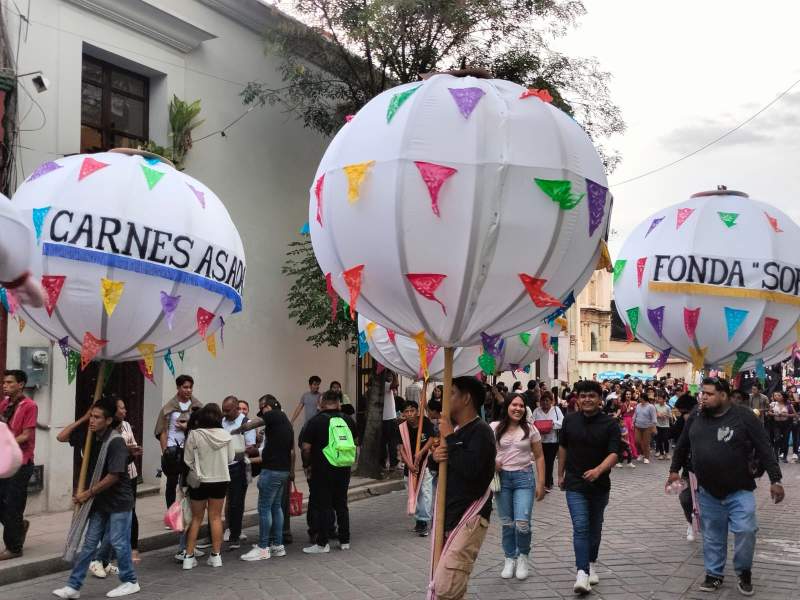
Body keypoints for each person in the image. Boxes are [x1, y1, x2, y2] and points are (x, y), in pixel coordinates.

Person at [668, 377, 784, 595]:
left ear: (724, 395)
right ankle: (713, 574)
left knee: (746, 530)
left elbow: (764, 447)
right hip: (707, 490)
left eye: (709, 394)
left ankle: (743, 572)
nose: (703, 397)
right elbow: (683, 444)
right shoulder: (696, 415)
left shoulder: (744, 416)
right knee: (712, 534)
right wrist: (673, 471)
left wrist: (775, 479)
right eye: (702, 393)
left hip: (740, 489)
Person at [52, 395, 139, 599]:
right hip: (99, 502)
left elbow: (114, 476)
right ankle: (74, 586)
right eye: (92, 416)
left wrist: (86, 494)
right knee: (90, 544)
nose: (93, 420)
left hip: (118, 501)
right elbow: (61, 437)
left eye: (97, 417)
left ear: (108, 420)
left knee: (118, 542)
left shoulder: (116, 441)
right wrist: (83, 418)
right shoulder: (90, 436)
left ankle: (130, 581)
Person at [429, 377, 496, 600]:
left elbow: (471, 469)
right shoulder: (457, 430)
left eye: (452, 393)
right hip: (449, 515)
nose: (445, 399)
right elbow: (444, 465)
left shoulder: (482, 432)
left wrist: (450, 436)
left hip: (470, 517)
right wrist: (435, 457)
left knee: (448, 585)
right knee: (447, 585)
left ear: (466, 398)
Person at [558, 380, 620, 595]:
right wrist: (560, 474)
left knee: (595, 527)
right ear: (578, 398)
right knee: (581, 527)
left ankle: (591, 562)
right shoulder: (569, 421)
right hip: (575, 482)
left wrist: (598, 470)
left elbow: (614, 453)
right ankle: (582, 573)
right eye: (583, 396)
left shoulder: (610, 424)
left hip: (600, 484)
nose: (587, 399)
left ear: (599, 399)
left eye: (591, 396)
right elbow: (563, 446)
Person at [491, 395, 545, 580]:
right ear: (507, 406)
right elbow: (483, 450)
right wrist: (493, 462)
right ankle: (509, 558)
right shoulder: (494, 428)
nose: (518, 408)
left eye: (521, 405)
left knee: (522, 523)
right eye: (514, 404)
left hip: (524, 479)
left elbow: (539, 456)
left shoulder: (530, 429)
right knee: (507, 523)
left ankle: (523, 556)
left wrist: (541, 483)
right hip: (502, 480)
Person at [238, 395, 295, 561]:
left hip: (271, 471)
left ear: (267, 406)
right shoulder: (285, 421)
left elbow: (254, 423)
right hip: (282, 470)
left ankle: (263, 548)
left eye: (262, 409)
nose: (262, 413)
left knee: (264, 508)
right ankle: (277, 546)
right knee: (276, 507)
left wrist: (239, 430)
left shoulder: (274, 414)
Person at [302, 390, 357, 554]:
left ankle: (322, 543)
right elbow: (355, 441)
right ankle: (345, 540)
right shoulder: (348, 419)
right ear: (339, 403)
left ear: (321, 403)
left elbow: (306, 448)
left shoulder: (315, 421)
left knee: (324, 505)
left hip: (323, 468)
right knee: (341, 504)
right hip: (344, 467)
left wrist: (307, 465)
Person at [182, 403, 233, 570]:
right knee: (216, 517)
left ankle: (188, 557)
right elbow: (231, 458)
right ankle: (216, 556)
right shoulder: (226, 435)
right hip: (220, 479)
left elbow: (187, 460)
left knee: (196, 518)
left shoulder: (194, 435)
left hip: (199, 480)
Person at [0, 369, 36, 561]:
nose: (5, 385)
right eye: (4, 382)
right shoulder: (4, 404)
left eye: (10, 382)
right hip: (5, 462)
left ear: (20, 384)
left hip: (21, 462)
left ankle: (13, 548)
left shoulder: (30, 405)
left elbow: (26, 435)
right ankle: (19, 527)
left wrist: (7, 442)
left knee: (13, 504)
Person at [154, 375, 202, 509]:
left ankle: (187, 511)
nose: (188, 390)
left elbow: (202, 426)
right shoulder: (169, 407)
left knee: (189, 481)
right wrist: (165, 451)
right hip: (173, 448)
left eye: (190, 387)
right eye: (185, 387)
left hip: (190, 448)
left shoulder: (197, 406)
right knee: (171, 483)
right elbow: (162, 430)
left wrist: (188, 427)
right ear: (178, 388)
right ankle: (171, 513)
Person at [221, 396, 257, 549]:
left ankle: (235, 535)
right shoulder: (222, 421)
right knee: (220, 502)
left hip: (238, 467)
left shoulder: (246, 423)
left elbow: (251, 446)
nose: (224, 413)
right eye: (223, 410)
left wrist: (235, 451)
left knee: (236, 502)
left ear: (236, 409)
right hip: (222, 466)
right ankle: (219, 533)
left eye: (227, 410)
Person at [397, 400, 435, 537]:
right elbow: (401, 449)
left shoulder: (424, 422)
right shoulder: (401, 427)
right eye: (406, 411)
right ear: (403, 414)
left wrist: (420, 453)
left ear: (417, 411)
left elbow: (431, 438)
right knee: (413, 493)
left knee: (425, 492)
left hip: (424, 463)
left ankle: (424, 521)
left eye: (412, 411)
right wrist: (410, 464)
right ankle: (419, 519)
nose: (410, 414)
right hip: (410, 465)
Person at [531, 391, 563, 491]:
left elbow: (562, 422)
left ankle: (547, 484)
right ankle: (550, 481)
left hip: (553, 441)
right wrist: (538, 425)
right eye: (542, 401)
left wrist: (551, 424)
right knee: (542, 462)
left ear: (551, 401)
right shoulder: (537, 411)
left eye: (547, 401)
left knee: (549, 462)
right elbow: (531, 422)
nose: (544, 403)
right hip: (540, 441)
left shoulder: (556, 410)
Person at [768, 391, 794, 463]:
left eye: (779, 396)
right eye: (777, 396)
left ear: (783, 397)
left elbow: (794, 414)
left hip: (786, 425)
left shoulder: (788, 405)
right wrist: (774, 414)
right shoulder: (773, 404)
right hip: (776, 424)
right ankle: (775, 455)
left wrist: (786, 415)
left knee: (785, 440)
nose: (777, 397)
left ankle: (785, 457)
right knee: (777, 439)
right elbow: (769, 412)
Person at [633, 390, 656, 464]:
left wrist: (654, 427)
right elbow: (635, 415)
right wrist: (632, 422)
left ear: (644, 398)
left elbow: (654, 418)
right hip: (637, 426)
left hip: (647, 427)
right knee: (637, 442)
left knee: (646, 443)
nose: (639, 399)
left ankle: (646, 457)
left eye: (640, 398)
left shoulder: (651, 407)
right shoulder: (638, 405)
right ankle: (641, 454)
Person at [654, 390, 672, 460]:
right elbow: (653, 414)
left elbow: (670, 416)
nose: (659, 400)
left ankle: (667, 453)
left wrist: (665, 415)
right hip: (658, 425)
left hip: (665, 426)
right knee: (659, 440)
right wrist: (657, 415)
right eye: (658, 398)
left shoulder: (667, 407)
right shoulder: (655, 406)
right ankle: (661, 454)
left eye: (661, 398)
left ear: (664, 399)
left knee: (665, 439)